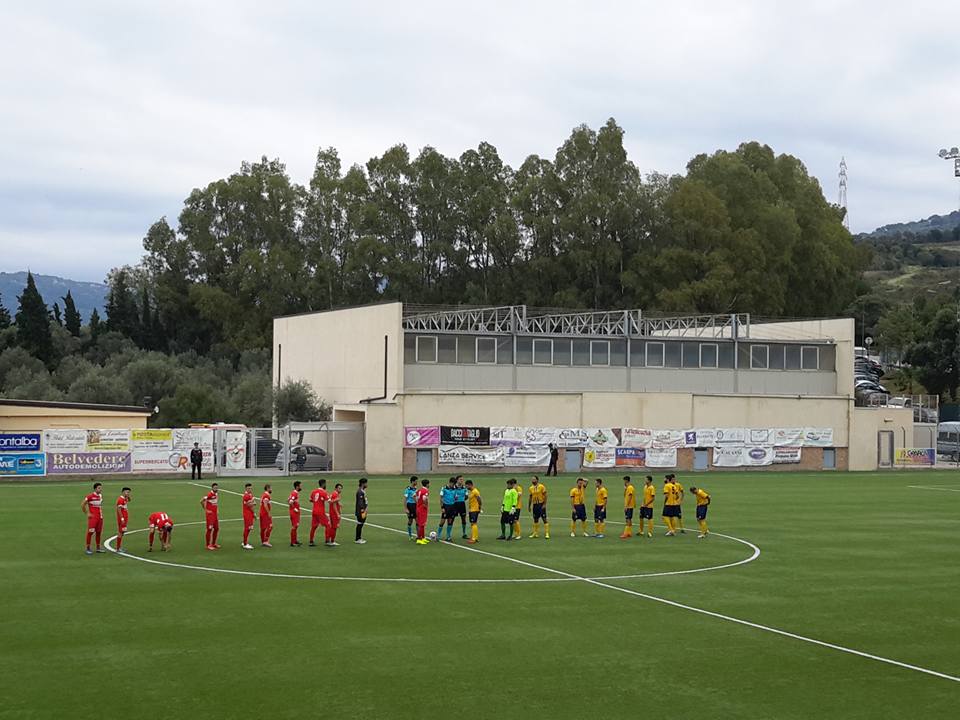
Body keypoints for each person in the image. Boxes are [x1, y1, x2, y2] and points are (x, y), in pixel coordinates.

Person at [82, 482, 105, 555]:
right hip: (93, 518)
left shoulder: (100, 496)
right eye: (99, 488)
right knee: (90, 532)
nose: (100, 489)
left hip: (100, 517)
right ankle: (88, 548)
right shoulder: (90, 496)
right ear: (95, 489)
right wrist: (87, 513)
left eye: (101, 488)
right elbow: (82, 504)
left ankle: (98, 548)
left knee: (98, 532)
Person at [309, 478, 329, 547]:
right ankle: (327, 541)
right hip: (320, 511)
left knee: (314, 526)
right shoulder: (324, 492)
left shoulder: (314, 491)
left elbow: (310, 500)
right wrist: (336, 499)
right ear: (323, 484)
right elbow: (329, 500)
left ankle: (311, 541)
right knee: (328, 525)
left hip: (314, 511)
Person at [200, 482, 220, 550]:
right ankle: (208, 545)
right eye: (215, 488)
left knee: (216, 528)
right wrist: (206, 510)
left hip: (215, 514)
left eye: (217, 487)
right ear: (212, 488)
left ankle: (214, 543)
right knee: (209, 529)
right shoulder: (209, 494)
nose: (216, 489)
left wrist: (217, 510)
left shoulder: (216, 494)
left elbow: (215, 503)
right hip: (210, 515)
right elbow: (201, 501)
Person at [437, 477, 457, 542]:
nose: (453, 485)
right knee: (442, 521)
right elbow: (441, 498)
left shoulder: (454, 489)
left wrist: (456, 498)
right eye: (453, 484)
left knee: (450, 521)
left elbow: (455, 497)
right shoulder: (444, 488)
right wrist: (442, 507)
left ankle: (448, 536)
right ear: (450, 482)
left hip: (452, 506)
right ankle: (438, 535)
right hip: (446, 506)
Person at [115, 486, 131, 552]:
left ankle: (118, 547)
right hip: (122, 517)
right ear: (123, 492)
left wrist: (127, 496)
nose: (128, 493)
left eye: (129, 492)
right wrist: (122, 518)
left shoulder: (125, 498)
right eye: (127, 492)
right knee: (121, 532)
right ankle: (118, 548)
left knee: (122, 531)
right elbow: (118, 509)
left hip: (125, 517)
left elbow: (129, 500)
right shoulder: (120, 499)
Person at [466, 479, 482, 544]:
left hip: (474, 510)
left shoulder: (475, 491)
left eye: (467, 486)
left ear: (470, 485)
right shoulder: (472, 491)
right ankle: (474, 536)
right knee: (473, 523)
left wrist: (479, 507)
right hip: (472, 509)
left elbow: (479, 499)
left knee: (473, 523)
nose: (466, 487)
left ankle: (474, 538)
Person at [415, 478, 430, 544]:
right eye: (429, 484)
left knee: (422, 524)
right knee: (421, 524)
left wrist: (418, 503)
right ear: (427, 484)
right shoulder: (425, 491)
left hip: (418, 508)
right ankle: (419, 539)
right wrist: (425, 505)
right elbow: (424, 498)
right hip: (422, 509)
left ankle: (423, 538)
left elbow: (414, 496)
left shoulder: (419, 490)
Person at [241, 483, 256, 549]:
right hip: (247, 514)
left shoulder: (250, 495)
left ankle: (245, 541)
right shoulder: (246, 496)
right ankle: (245, 544)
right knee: (247, 528)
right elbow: (249, 505)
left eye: (251, 488)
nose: (250, 489)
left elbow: (252, 503)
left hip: (250, 513)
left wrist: (252, 502)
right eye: (248, 488)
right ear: (246, 488)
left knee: (249, 528)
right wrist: (253, 502)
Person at [288, 480, 302, 547]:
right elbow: (290, 502)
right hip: (294, 513)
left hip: (295, 512)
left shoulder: (294, 493)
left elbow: (288, 500)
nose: (301, 487)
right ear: (297, 486)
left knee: (296, 527)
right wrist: (294, 508)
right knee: (294, 526)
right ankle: (292, 542)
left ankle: (295, 540)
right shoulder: (295, 493)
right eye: (300, 486)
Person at [355, 478, 368, 544]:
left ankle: (359, 538)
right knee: (360, 524)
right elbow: (360, 503)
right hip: (361, 511)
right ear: (363, 483)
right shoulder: (360, 492)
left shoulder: (362, 491)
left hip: (363, 511)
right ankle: (358, 539)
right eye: (366, 483)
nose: (367, 484)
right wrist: (363, 511)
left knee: (361, 524)